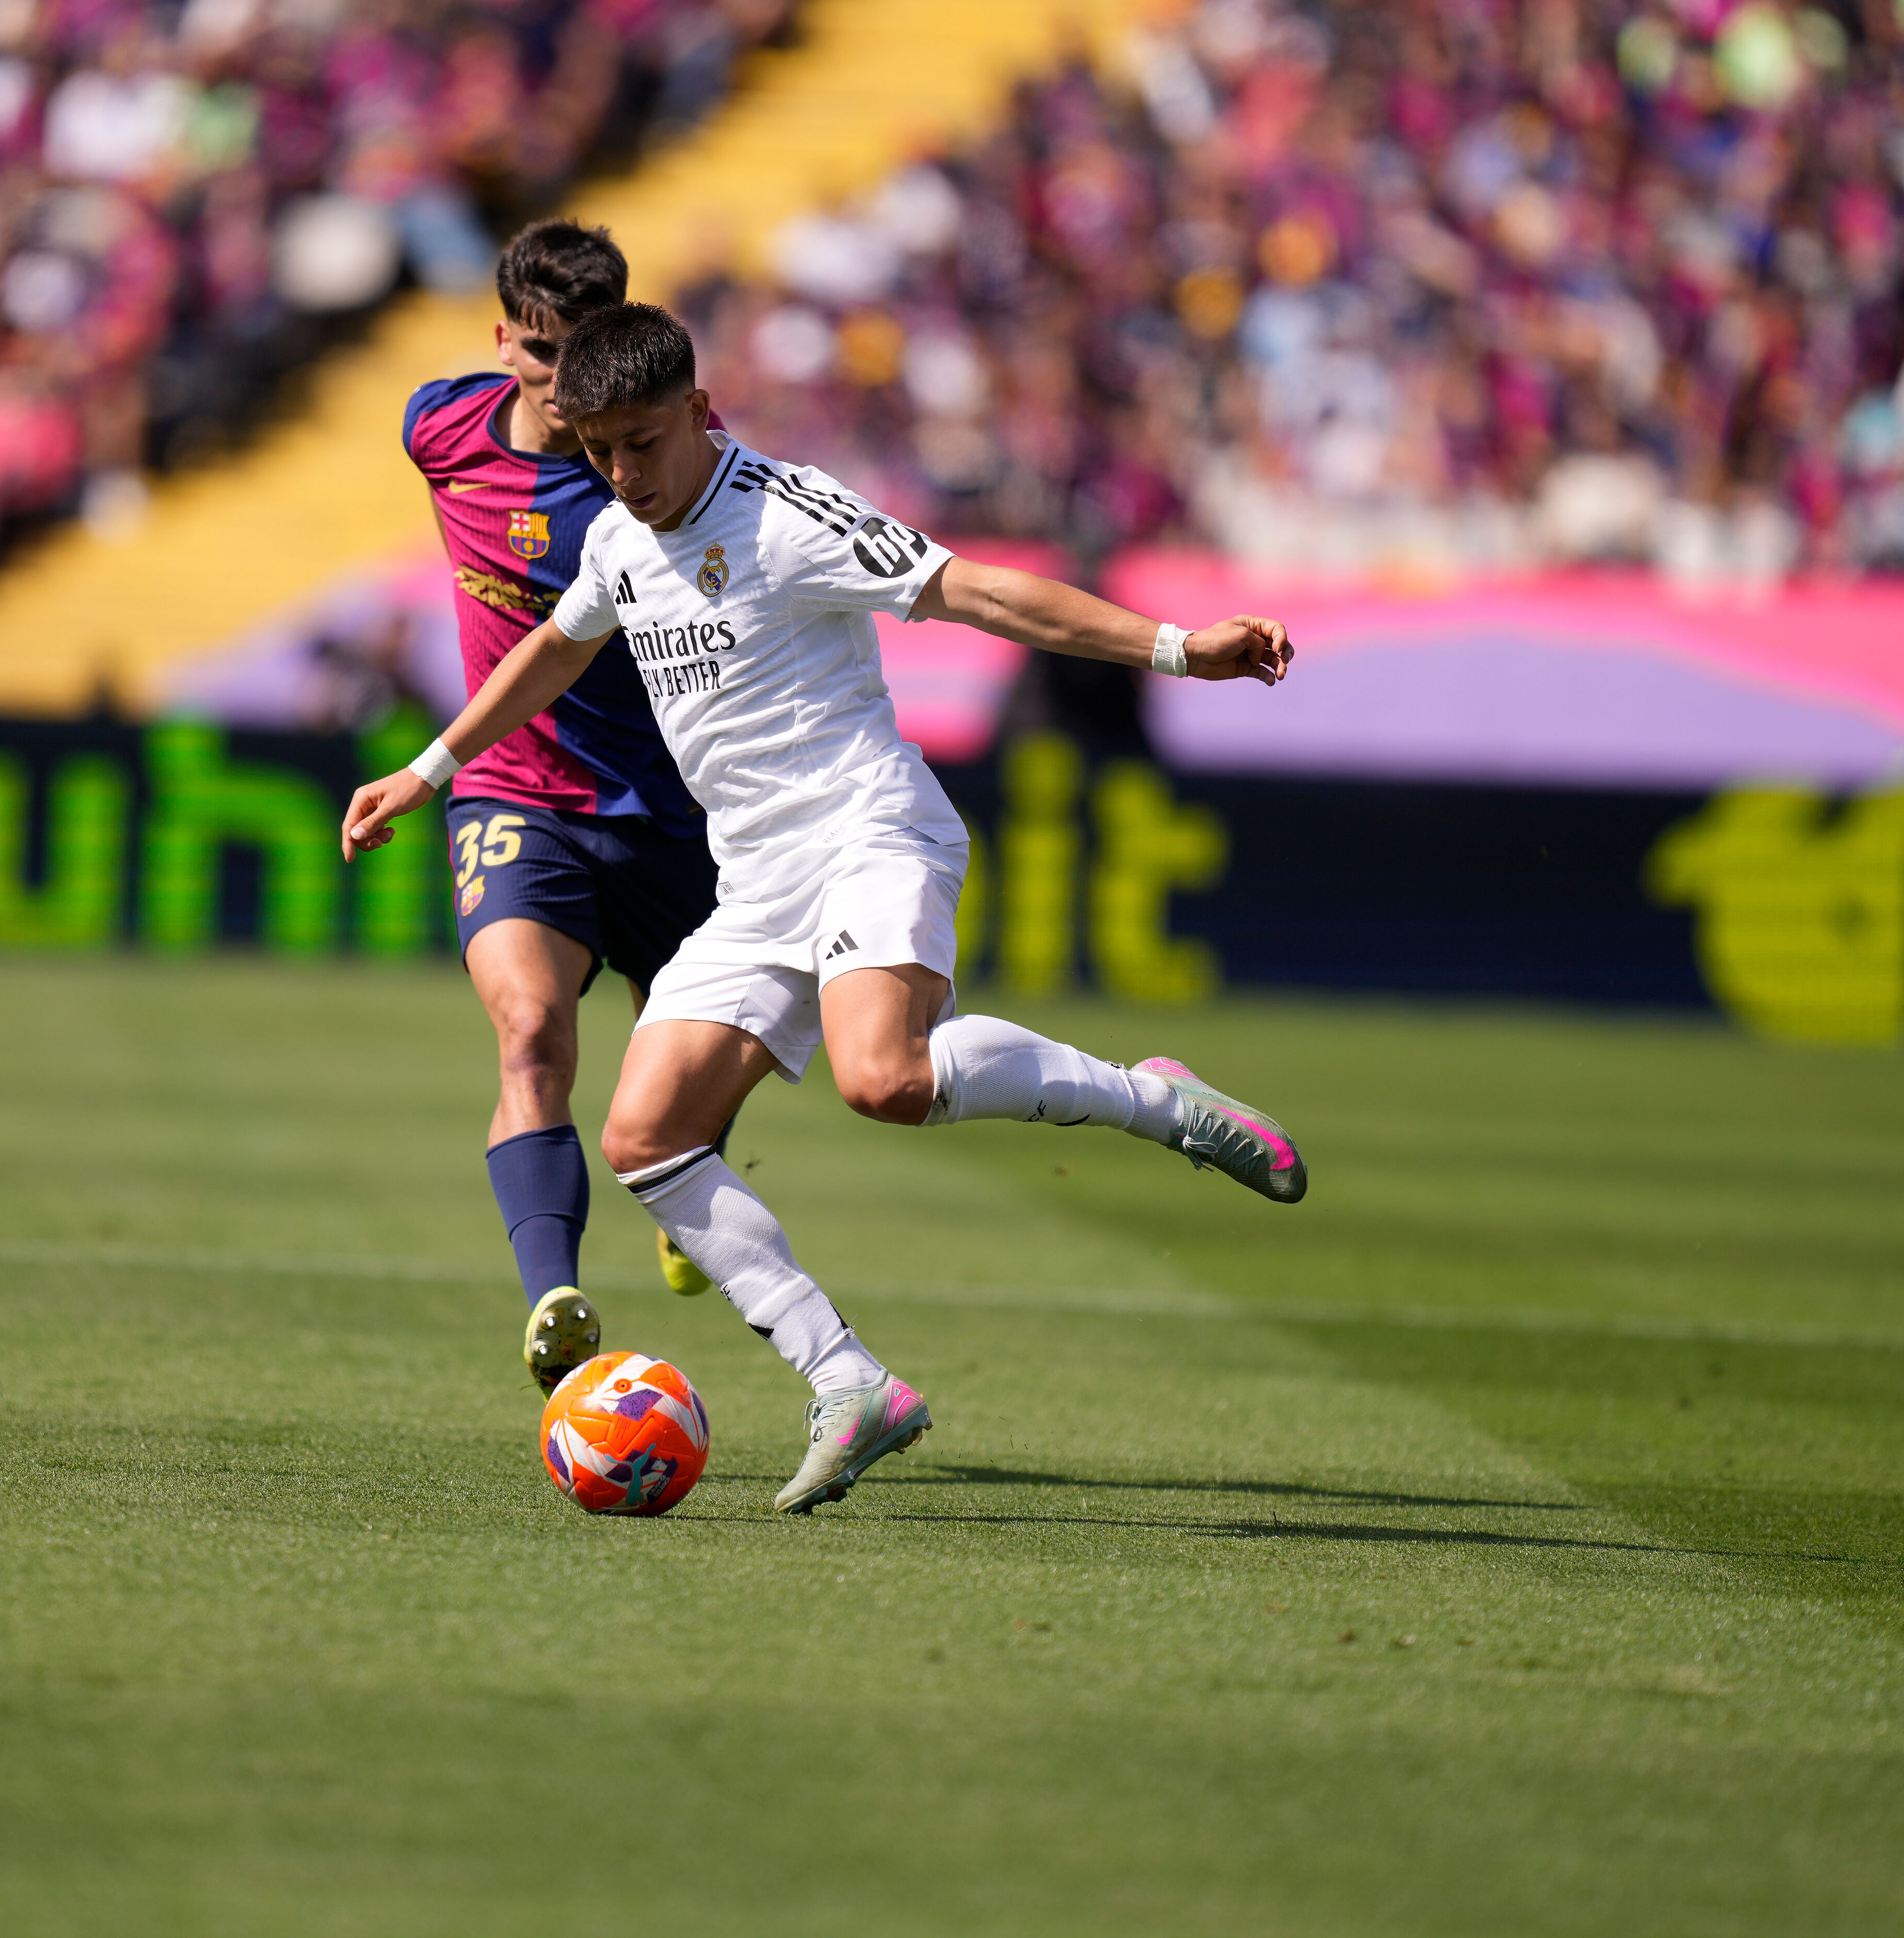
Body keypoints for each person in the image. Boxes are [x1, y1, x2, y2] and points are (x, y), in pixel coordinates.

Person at [346, 303, 1305, 1512]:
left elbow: (982, 592)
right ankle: (848, 1379)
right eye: (598, 450)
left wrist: (1177, 648)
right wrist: (430, 768)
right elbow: (556, 644)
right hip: (756, 880)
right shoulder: (619, 537)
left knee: (883, 1077)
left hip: (867, 832)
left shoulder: (788, 514)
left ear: (700, 411)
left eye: (642, 442)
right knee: (645, 1136)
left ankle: (1155, 1099)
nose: (623, 473)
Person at [398, 222, 731, 1397]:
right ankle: (554, 1296)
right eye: (540, 352)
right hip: (515, 790)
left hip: (674, 808)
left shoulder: (660, 466)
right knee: (532, 1033)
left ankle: (685, 1187)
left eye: (582, 350)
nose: (559, 378)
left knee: (678, 1079)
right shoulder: (439, 429)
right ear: (504, 340)